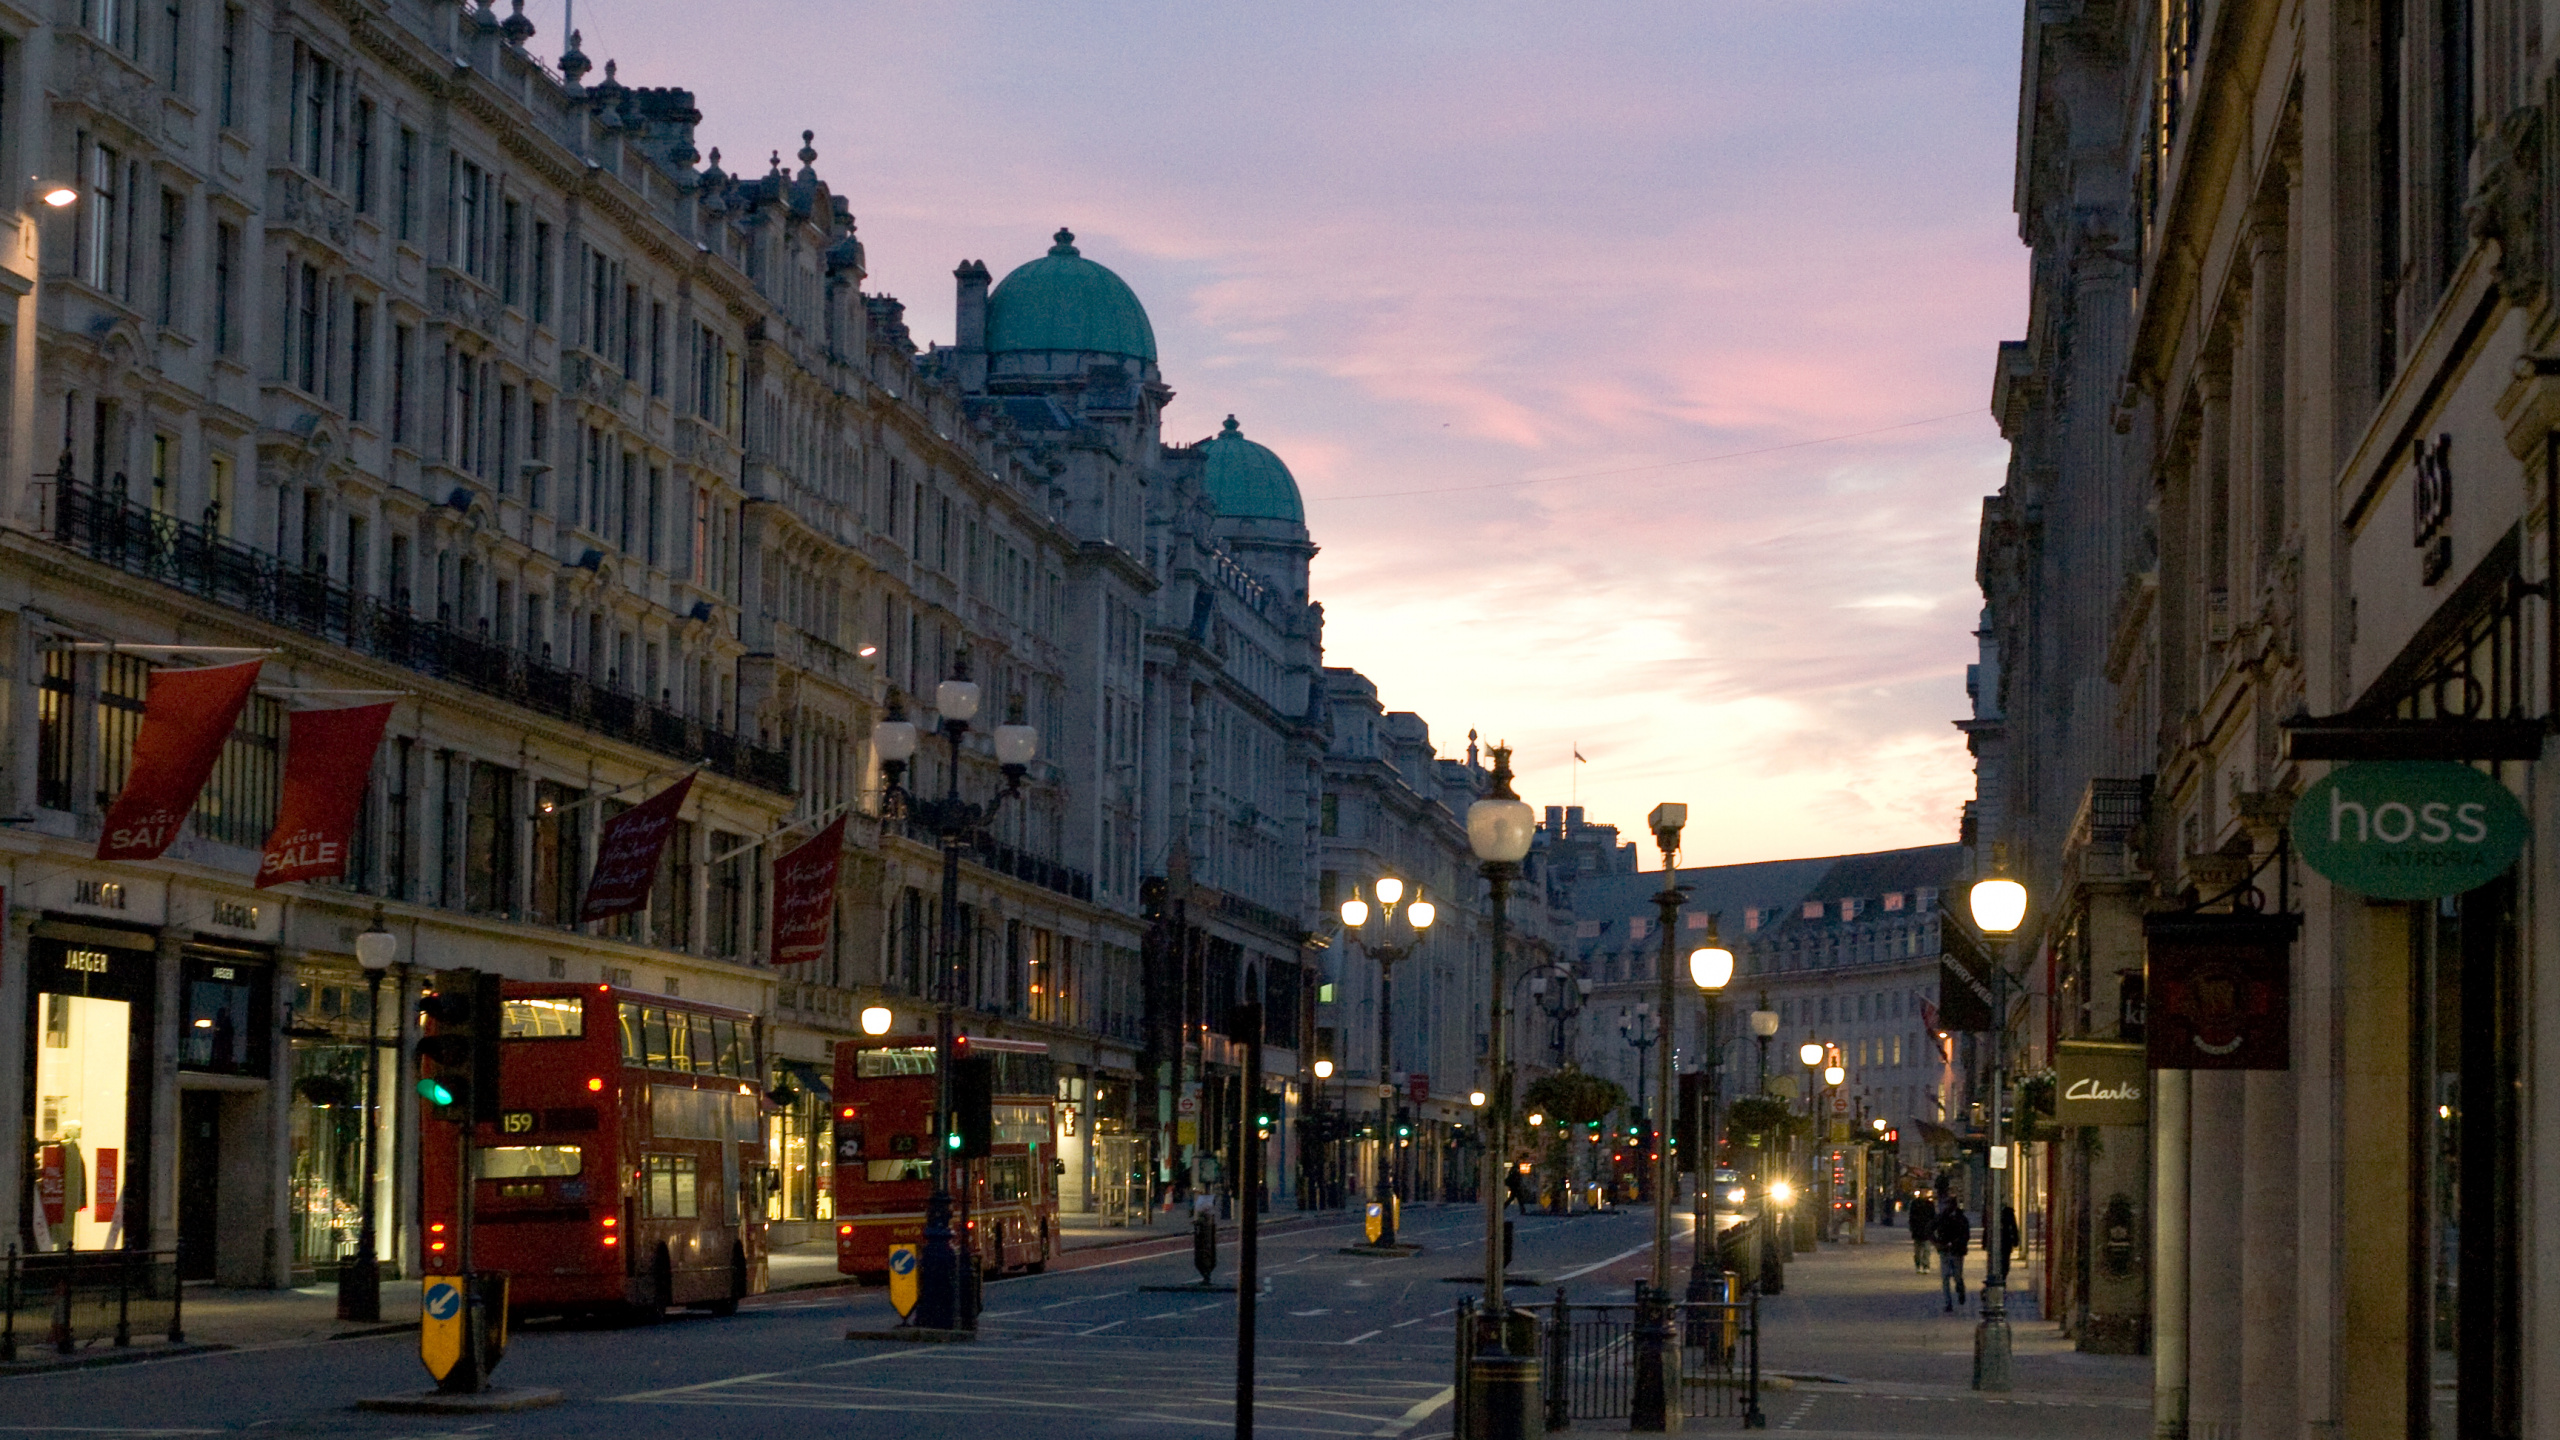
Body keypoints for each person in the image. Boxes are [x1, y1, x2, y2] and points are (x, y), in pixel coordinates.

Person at [1932, 1195, 1971, 1312]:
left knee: (1957, 1275)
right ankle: (1948, 1303)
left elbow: (1966, 1235)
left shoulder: (1961, 1218)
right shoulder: (1941, 1218)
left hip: (1957, 1251)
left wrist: (1958, 1243)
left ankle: (1960, 1289)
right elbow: (1930, 1228)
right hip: (1944, 1250)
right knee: (1945, 1277)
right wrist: (1936, 1242)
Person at [1908, 1190, 1934, 1271]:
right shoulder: (1915, 1203)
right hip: (1917, 1229)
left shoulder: (1930, 1204)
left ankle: (1926, 1265)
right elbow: (1911, 1216)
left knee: (1926, 1249)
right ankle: (1918, 1264)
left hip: (1926, 1229)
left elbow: (1933, 1217)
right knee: (1917, 1251)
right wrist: (1912, 1227)